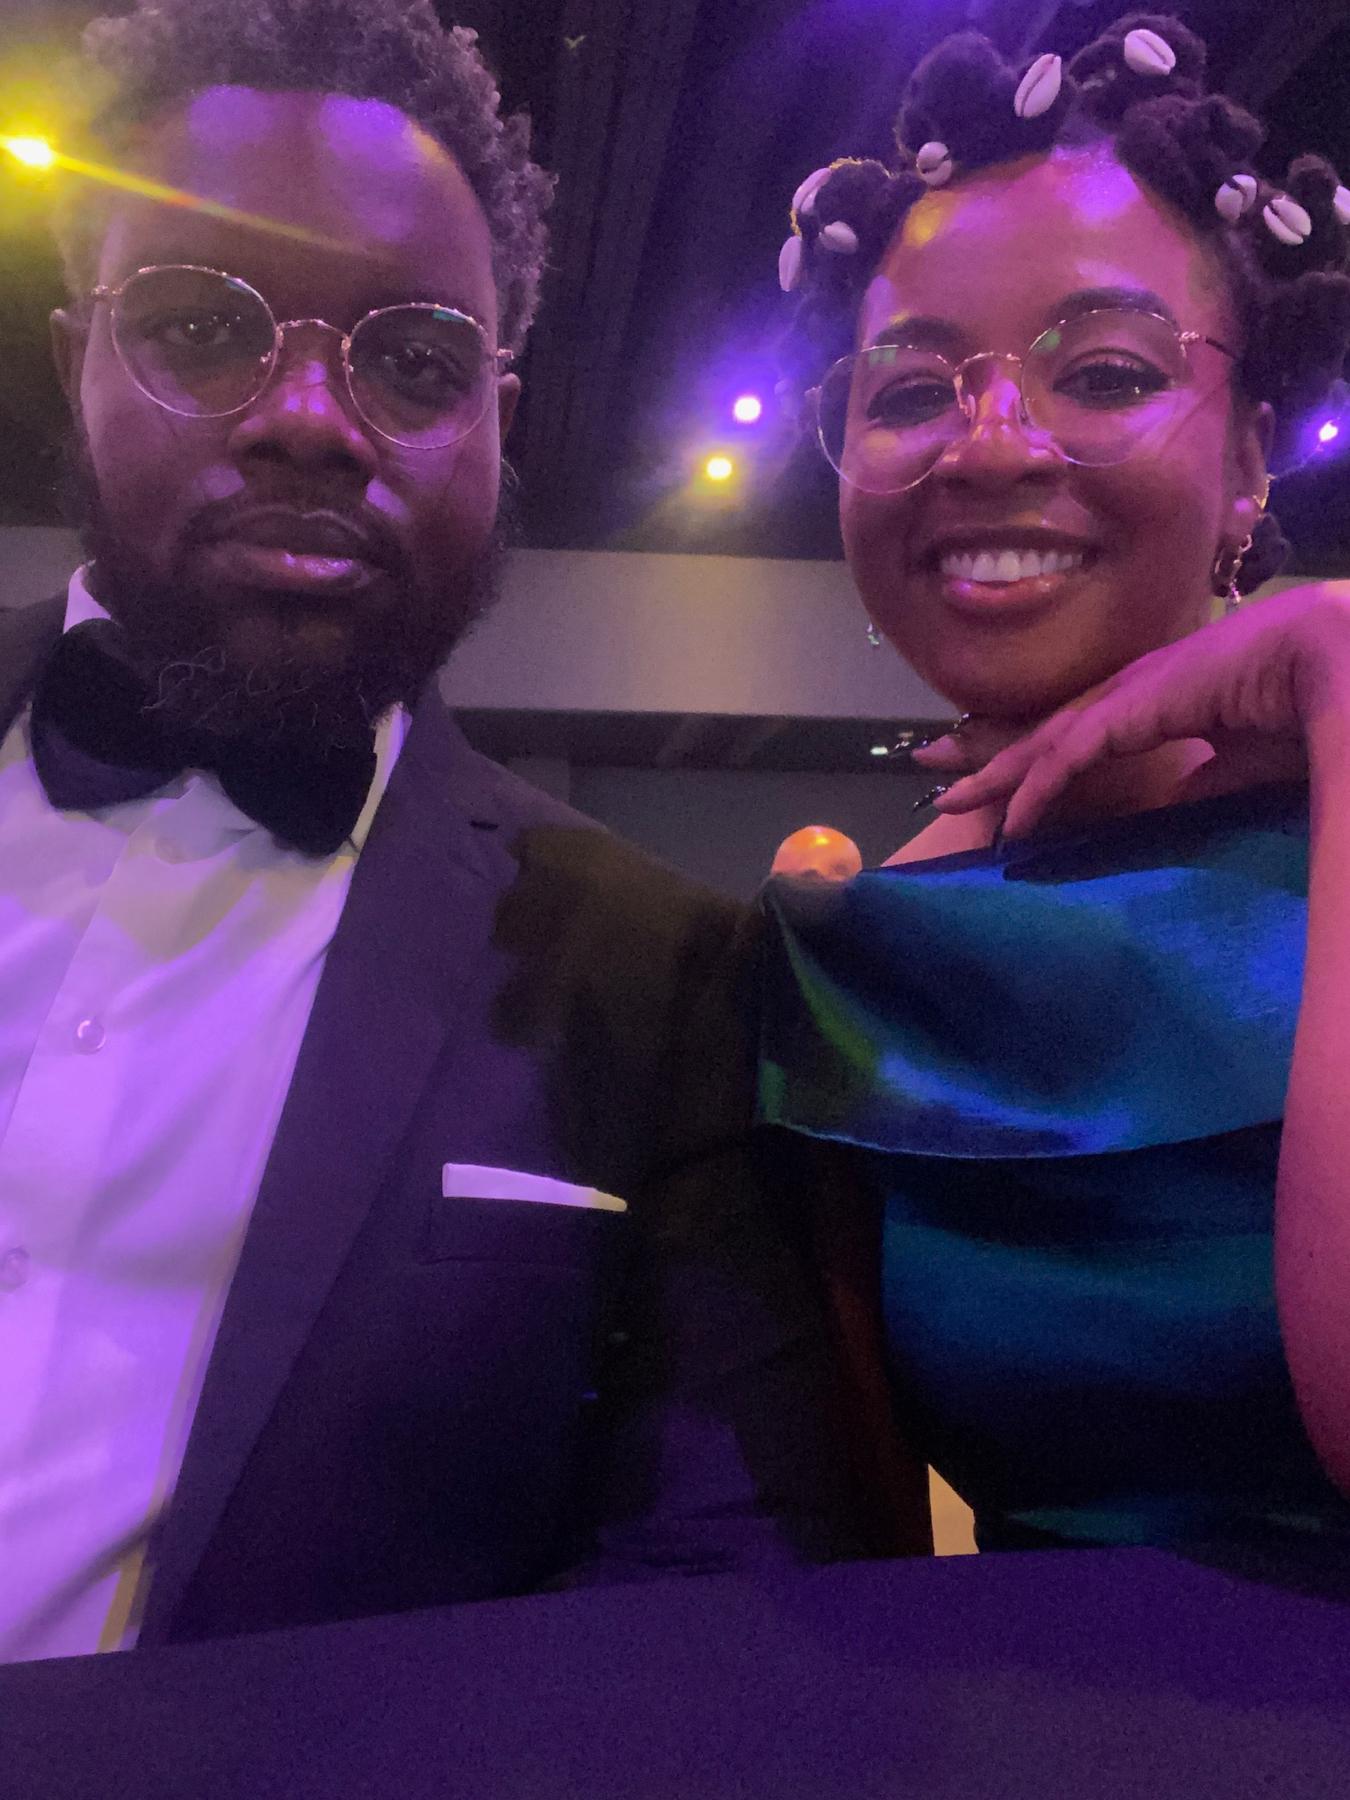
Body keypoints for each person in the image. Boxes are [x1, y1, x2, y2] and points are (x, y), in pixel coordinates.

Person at [0, 0, 872, 1664]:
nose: (310, 418)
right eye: (202, 326)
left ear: (496, 419)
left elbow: (714, 1576)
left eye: (411, 361)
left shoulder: (656, 980)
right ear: (74, 363)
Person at [758, 13, 1350, 1555]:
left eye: (1098, 370)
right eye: (909, 393)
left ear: (1248, 463)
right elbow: (864, 1565)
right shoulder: (862, 937)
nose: (986, 446)